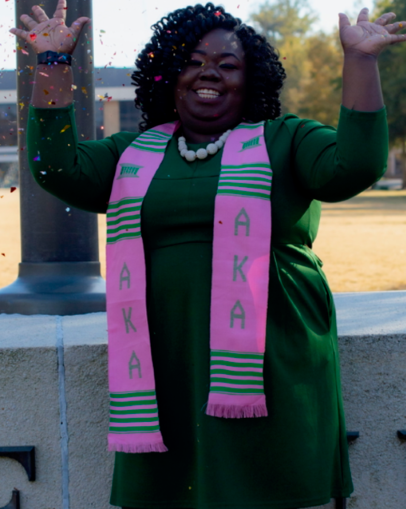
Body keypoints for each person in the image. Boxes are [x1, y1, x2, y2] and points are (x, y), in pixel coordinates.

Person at [10, 1, 404, 507]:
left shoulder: (286, 140)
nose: (209, 72)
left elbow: (356, 165)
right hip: (164, 362)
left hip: (270, 357)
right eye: (192, 62)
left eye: (227, 63)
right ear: (168, 76)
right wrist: (53, 65)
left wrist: (361, 61)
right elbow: (55, 167)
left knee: (269, 491)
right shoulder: (132, 153)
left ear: (251, 78)